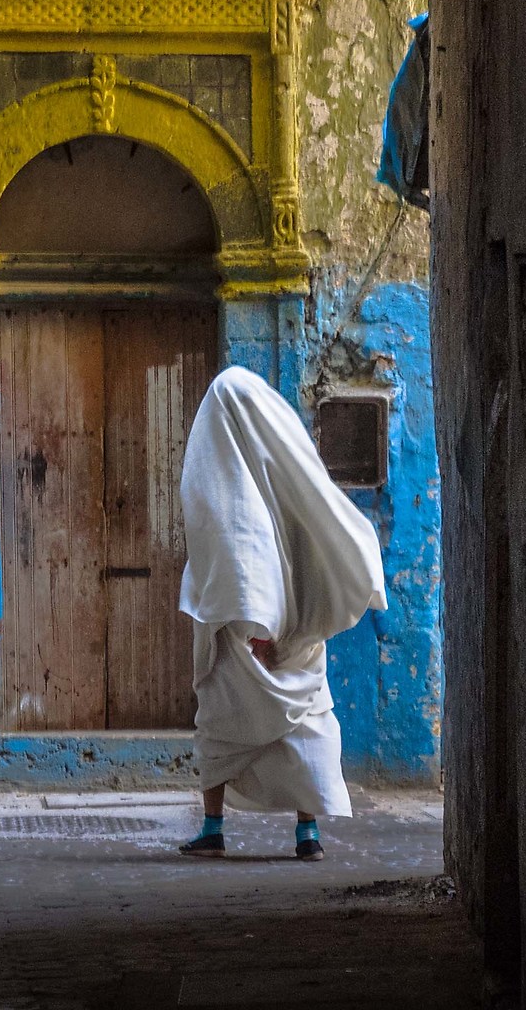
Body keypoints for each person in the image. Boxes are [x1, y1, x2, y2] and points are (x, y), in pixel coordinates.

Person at [174, 366, 387, 860]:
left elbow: (240, 561)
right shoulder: (287, 479)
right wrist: (289, 632)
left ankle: (213, 828)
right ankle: (306, 834)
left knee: (222, 723)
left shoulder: (230, 482)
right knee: (304, 725)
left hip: (247, 635)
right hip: (297, 632)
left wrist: (259, 633)